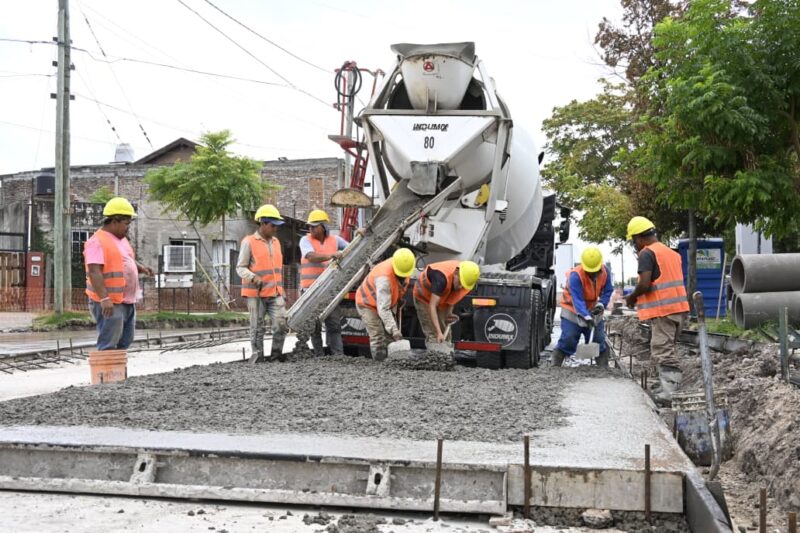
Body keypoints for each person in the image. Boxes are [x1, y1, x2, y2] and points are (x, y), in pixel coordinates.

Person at [624, 216, 690, 404]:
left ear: (639, 238)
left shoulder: (647, 253)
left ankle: (669, 393)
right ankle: (664, 387)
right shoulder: (671, 253)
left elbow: (645, 283)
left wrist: (632, 297)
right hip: (678, 309)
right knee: (667, 348)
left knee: (662, 350)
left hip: (663, 310)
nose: (635, 245)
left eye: (634, 241)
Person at [84, 197, 154, 350]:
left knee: (125, 341)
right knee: (109, 343)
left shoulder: (121, 240)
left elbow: (124, 259)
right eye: (126, 223)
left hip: (127, 301)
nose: (128, 227)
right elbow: (94, 271)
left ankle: (119, 373)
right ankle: (106, 373)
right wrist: (104, 298)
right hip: (110, 302)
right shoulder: (97, 241)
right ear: (114, 221)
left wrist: (140, 267)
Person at [236, 204, 288, 363]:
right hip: (256, 294)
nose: (275, 229)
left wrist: (282, 289)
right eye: (273, 225)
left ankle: (276, 356)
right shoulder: (249, 242)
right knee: (257, 328)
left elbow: (277, 269)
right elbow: (240, 267)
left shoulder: (276, 242)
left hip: (275, 293)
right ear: (263, 224)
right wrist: (253, 277)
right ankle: (258, 357)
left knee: (281, 325)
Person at [298, 209, 349, 356]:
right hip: (310, 290)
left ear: (323, 226)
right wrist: (331, 255)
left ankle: (338, 356)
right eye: (310, 226)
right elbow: (310, 256)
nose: (310, 228)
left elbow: (351, 247)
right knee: (315, 328)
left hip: (329, 290)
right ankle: (319, 356)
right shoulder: (305, 240)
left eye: (314, 226)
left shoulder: (335, 240)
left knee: (334, 326)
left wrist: (361, 234)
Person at [551, 247, 613, 367]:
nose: (593, 274)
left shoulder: (605, 272)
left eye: (596, 271)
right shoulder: (576, 275)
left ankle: (604, 368)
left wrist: (601, 304)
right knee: (569, 337)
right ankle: (556, 363)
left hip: (593, 309)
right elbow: (577, 299)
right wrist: (585, 316)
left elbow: (608, 290)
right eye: (590, 272)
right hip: (572, 310)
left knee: (598, 338)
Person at [355, 248, 416, 361]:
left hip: (384, 303)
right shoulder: (384, 278)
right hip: (367, 303)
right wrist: (394, 330)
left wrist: (399, 299)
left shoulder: (404, 266)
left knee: (391, 338)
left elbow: (397, 288)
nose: (403, 277)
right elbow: (383, 309)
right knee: (378, 336)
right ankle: (380, 365)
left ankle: (394, 362)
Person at [412, 260, 480, 347]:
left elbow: (453, 296)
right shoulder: (441, 278)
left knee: (446, 335)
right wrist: (438, 332)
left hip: (441, 296)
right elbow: (432, 306)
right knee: (435, 335)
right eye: (460, 283)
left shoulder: (466, 278)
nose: (460, 287)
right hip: (423, 296)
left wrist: (448, 314)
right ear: (456, 273)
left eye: (463, 285)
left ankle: (446, 358)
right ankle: (435, 358)